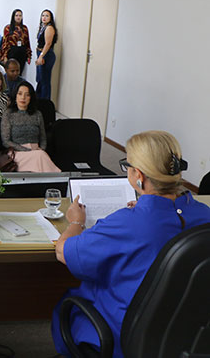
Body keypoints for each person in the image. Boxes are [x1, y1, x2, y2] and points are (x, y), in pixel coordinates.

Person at [52, 131, 210, 357]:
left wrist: (76, 221)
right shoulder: (205, 214)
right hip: (188, 335)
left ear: (139, 175)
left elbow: (63, 251)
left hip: (126, 334)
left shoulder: (127, 222)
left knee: (71, 304)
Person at [0, 81, 59, 172]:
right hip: (17, 152)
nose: (23, 97)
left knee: (40, 155)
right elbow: (6, 141)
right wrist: (27, 150)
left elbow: (43, 138)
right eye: (20, 94)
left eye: (27, 95)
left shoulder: (37, 114)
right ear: (15, 96)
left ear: (31, 98)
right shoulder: (8, 114)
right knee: (40, 157)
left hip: (37, 150)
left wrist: (41, 149)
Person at [35, 9, 58, 100]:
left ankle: (45, 103)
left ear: (51, 18)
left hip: (46, 55)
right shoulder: (43, 27)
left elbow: (48, 44)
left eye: (47, 16)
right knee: (40, 79)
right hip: (41, 53)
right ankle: (38, 100)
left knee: (44, 81)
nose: (44, 17)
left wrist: (41, 56)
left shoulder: (49, 28)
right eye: (43, 15)